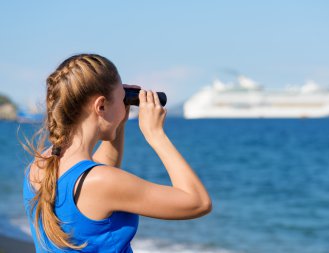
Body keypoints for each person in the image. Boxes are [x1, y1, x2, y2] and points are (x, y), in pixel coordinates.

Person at [22, 53, 212, 253]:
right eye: (122, 99)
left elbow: (101, 172)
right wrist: (155, 134)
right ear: (101, 106)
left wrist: (118, 118)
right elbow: (198, 202)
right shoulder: (100, 182)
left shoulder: (39, 165)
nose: (124, 105)